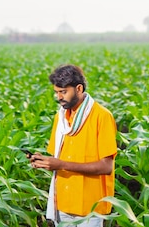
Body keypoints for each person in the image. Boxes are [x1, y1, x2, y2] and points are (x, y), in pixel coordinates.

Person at [29, 64, 118, 226]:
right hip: (62, 201)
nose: (59, 97)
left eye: (63, 92)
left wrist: (61, 164)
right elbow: (59, 158)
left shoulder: (102, 117)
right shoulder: (61, 117)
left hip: (90, 207)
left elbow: (106, 166)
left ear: (79, 88)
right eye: (56, 92)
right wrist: (44, 161)